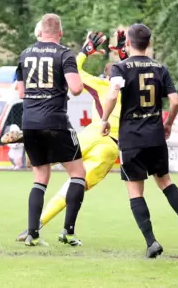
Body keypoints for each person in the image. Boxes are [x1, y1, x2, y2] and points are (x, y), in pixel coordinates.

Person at [11, 27, 126, 244]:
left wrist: (85, 51)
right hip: (110, 143)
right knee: (77, 180)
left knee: (45, 173)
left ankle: (33, 229)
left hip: (90, 133)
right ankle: (67, 231)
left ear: (107, 75)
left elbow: (78, 73)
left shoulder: (102, 85)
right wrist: (123, 54)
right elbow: (130, 73)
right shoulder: (131, 89)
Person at [100, 23, 178, 258]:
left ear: (127, 43)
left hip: (131, 139)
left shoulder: (120, 68)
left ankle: (152, 242)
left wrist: (104, 119)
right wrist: (167, 124)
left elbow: (113, 94)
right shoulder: (160, 68)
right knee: (165, 181)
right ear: (148, 44)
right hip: (155, 136)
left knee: (135, 190)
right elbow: (175, 102)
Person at [15, 13, 89, 247]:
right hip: (56, 121)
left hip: (30, 122)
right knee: (78, 174)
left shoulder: (25, 54)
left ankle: (32, 233)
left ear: (40, 31)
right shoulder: (64, 53)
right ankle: (68, 232)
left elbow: (21, 92)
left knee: (40, 176)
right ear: (60, 32)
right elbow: (76, 88)